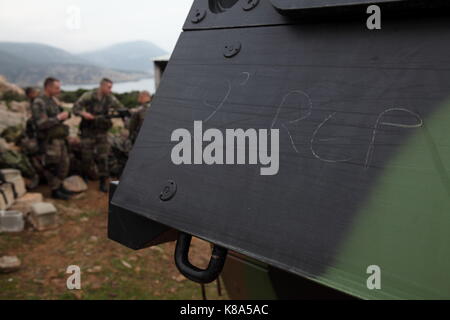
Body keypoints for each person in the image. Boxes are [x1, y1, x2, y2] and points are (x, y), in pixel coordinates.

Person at [72, 78, 125, 193]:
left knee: (103, 157)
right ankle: (85, 178)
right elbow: (75, 108)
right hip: (88, 131)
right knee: (86, 156)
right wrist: (84, 114)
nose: (110, 90)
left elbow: (120, 108)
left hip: (101, 132)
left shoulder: (110, 98)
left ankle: (103, 182)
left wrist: (125, 113)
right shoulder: (89, 96)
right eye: (108, 87)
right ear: (102, 86)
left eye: (111, 87)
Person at [31, 77, 71, 200]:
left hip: (59, 138)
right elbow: (41, 123)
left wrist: (65, 115)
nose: (59, 90)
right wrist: (58, 118)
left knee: (64, 164)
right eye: (56, 87)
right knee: (52, 165)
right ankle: (55, 190)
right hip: (49, 140)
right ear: (48, 87)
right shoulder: (39, 102)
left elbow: (58, 116)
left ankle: (60, 186)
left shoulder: (53, 100)